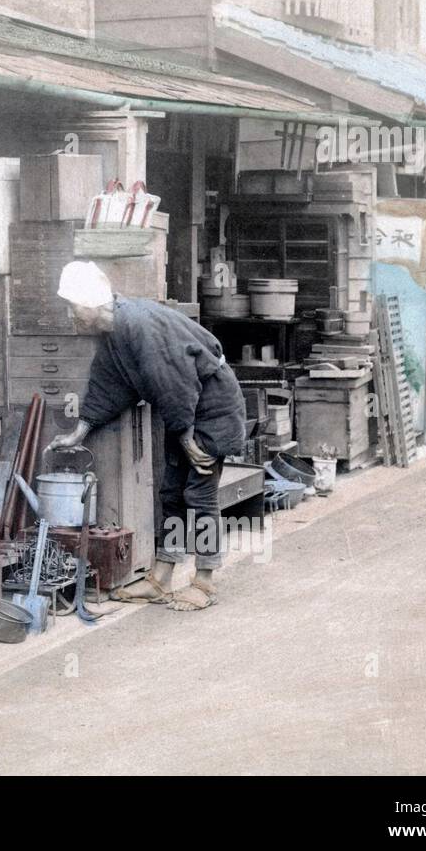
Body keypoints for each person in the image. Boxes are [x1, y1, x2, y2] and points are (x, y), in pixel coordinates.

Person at [48, 261, 246, 610]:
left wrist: (186, 438)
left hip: (211, 407)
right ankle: (161, 578)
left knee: (200, 496)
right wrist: (78, 433)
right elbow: (108, 385)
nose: (69, 315)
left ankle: (205, 580)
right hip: (185, 413)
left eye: (72, 306)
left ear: (91, 304)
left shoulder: (139, 325)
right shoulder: (115, 332)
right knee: (171, 494)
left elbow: (175, 382)